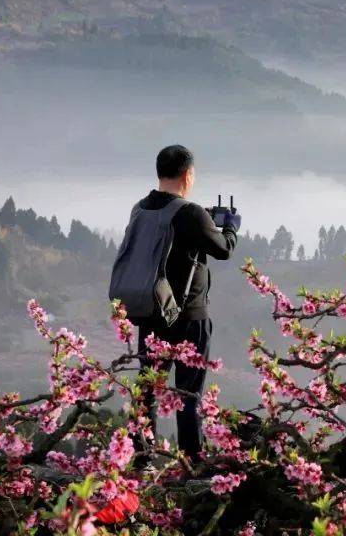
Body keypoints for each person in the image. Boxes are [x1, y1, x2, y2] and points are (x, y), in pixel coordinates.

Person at [131, 144, 240, 460]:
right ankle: (191, 461)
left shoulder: (141, 209)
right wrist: (231, 227)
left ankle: (142, 458)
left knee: (148, 388)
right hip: (189, 315)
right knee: (188, 392)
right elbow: (222, 249)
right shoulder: (191, 213)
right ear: (188, 174)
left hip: (151, 313)